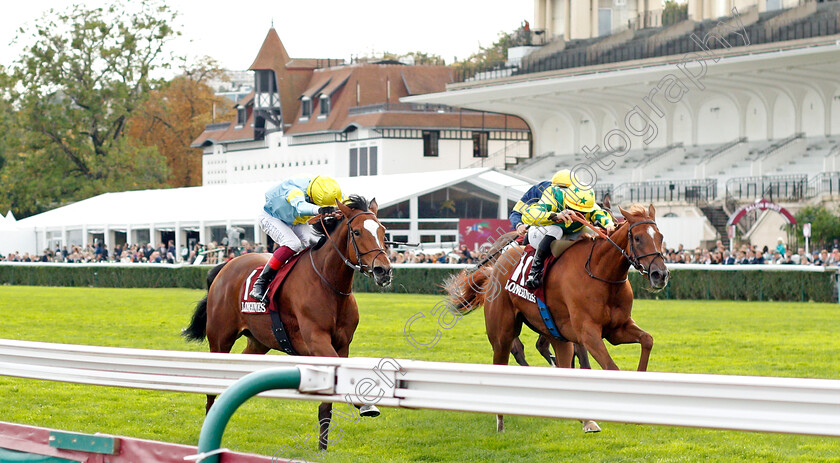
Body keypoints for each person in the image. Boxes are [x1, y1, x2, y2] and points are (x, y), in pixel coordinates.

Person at [249, 175, 344, 302]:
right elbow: (301, 207)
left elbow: (346, 203)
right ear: (311, 197)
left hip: (295, 221)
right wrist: (320, 209)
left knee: (319, 242)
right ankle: (260, 283)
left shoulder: (330, 191)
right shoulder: (294, 191)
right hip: (272, 217)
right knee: (293, 244)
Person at [521, 184, 615, 289]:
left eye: (582, 212)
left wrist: (609, 224)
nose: (577, 213)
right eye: (573, 209)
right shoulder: (554, 197)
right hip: (542, 231)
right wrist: (555, 216)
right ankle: (533, 273)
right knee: (557, 230)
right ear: (566, 201)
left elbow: (600, 214)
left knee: (595, 232)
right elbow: (528, 214)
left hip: (569, 232)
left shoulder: (589, 205)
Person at [509, 169, 577, 237]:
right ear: (552, 185)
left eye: (567, 189)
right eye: (559, 188)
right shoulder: (538, 189)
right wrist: (519, 225)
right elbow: (516, 212)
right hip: (539, 227)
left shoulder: (580, 195)